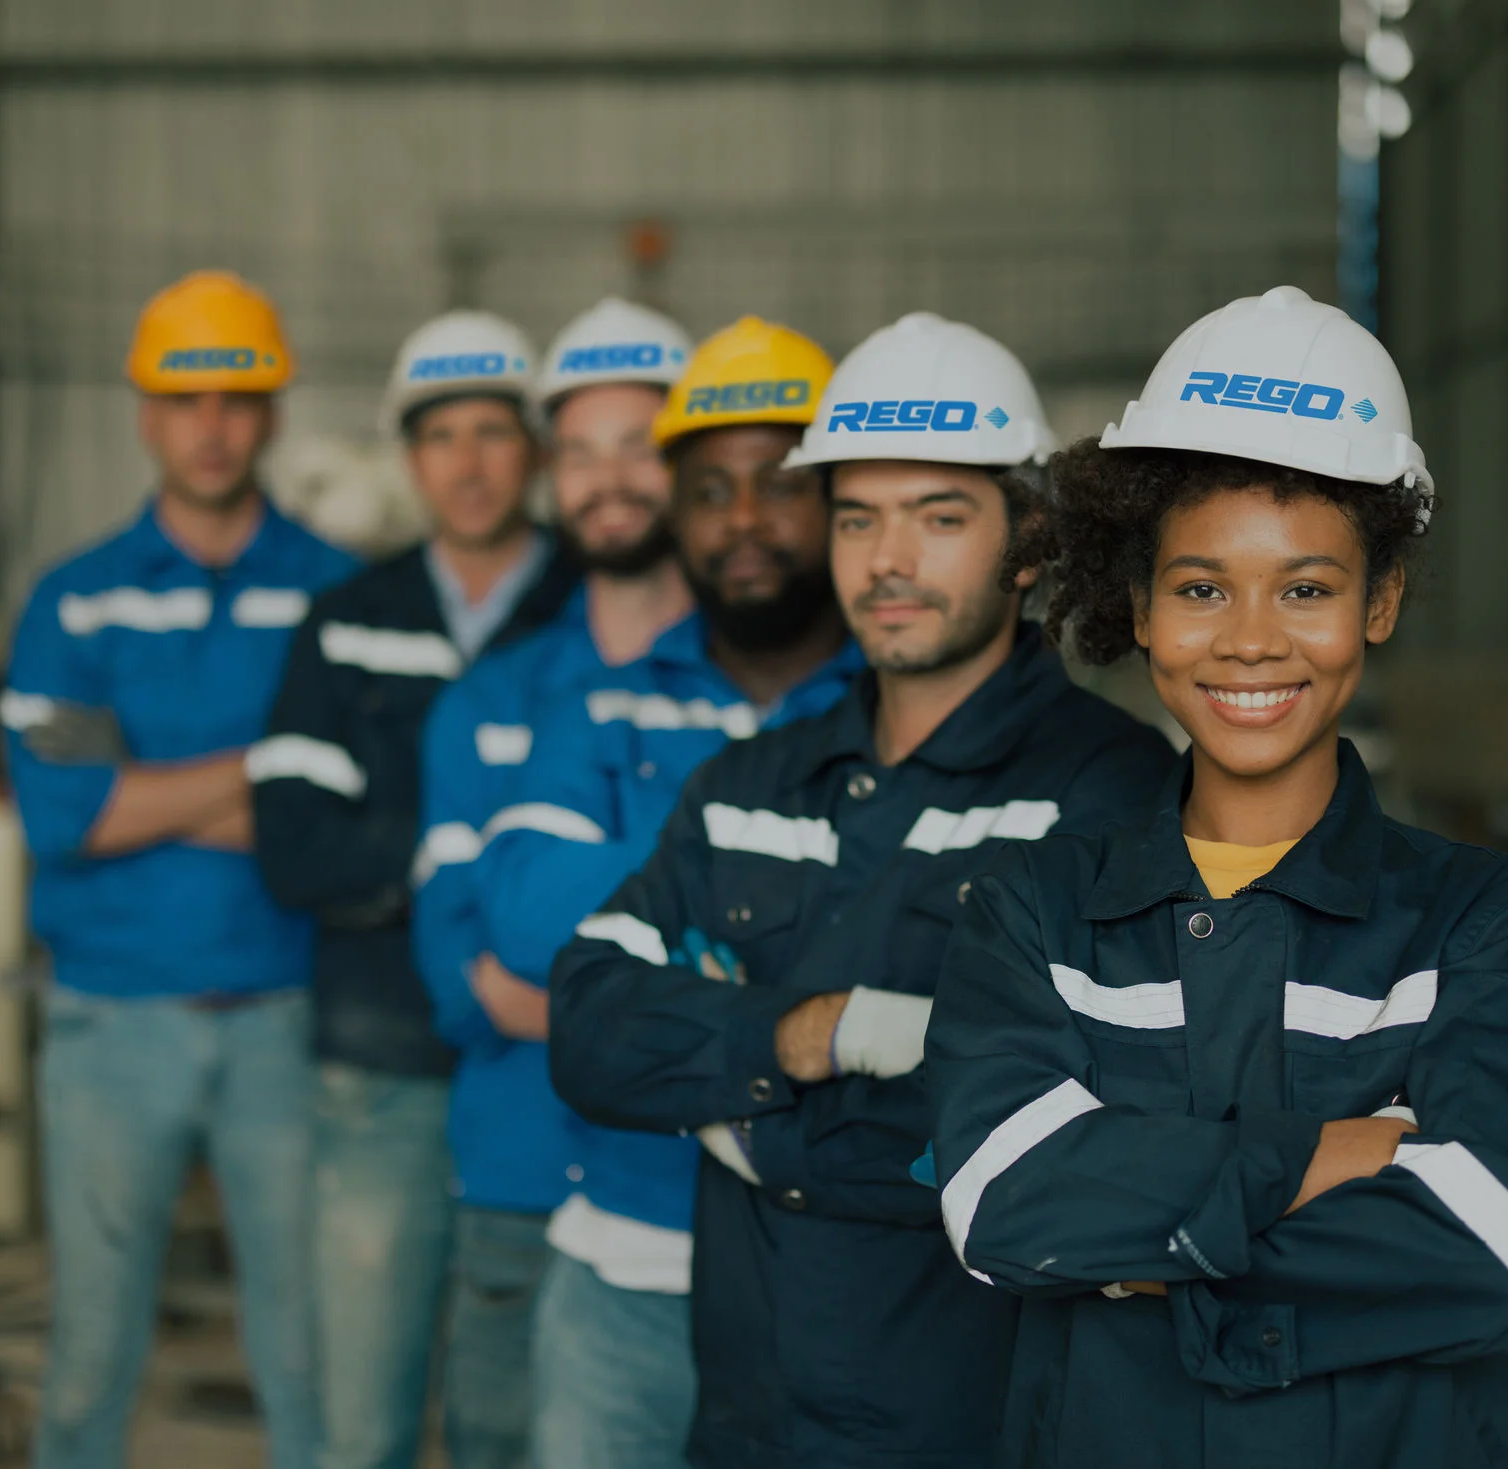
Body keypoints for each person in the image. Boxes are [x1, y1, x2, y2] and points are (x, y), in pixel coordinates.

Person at [925, 285, 1508, 1469]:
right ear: (1135, 605)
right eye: (1197, 587)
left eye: (1305, 587)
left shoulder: (1492, 920)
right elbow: (1000, 1211)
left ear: (1376, 600)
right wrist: (1334, 1150)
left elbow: (1485, 1251)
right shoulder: (1029, 910)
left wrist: (1135, 1257)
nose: (1247, 637)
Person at [546, 313, 1176, 1469]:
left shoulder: (1104, 792)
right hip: (743, 1419)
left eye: (939, 517)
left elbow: (1067, 1130)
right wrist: (812, 1031)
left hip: (965, 1423)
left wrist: (734, 1114)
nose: (887, 559)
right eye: (855, 518)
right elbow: (586, 1021)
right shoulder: (749, 781)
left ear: (1029, 541)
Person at [471, 316, 860, 1469]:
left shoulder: (896, 703)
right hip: (624, 1262)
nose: (740, 521)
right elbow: (525, 910)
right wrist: (793, 888)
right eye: (706, 491)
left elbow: (918, 944)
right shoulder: (602, 701)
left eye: (777, 484)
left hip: (848, 1269)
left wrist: (656, 915)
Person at [0, 270, 358, 1469]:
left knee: (312, 1363)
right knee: (92, 1357)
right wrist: (261, 771)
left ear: (270, 414)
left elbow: (346, 816)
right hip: (113, 1025)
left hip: (289, 1025)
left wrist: (154, 794)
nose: (212, 426)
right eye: (185, 399)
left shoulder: (335, 595)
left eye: (237, 399)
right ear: (146, 413)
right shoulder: (76, 602)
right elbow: (67, 815)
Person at [249, 310, 580, 1469]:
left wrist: (407, 866)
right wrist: (477, 859)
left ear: (533, 451)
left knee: (530, 1423)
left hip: (551, 1074)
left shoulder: (594, 610)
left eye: (495, 431)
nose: (470, 459)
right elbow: (292, 847)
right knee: (362, 1423)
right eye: (442, 435)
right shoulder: (347, 621)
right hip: (378, 1068)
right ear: (409, 456)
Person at [408, 297, 698, 1469]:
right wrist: (682, 1007)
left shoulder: (780, 691)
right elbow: (456, 966)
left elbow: (800, 943)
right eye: (576, 449)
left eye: (637, 443)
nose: (605, 477)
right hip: (517, 1174)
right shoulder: (490, 696)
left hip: (703, 1204)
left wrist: (572, 983)